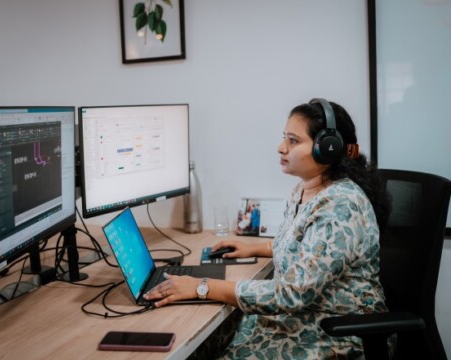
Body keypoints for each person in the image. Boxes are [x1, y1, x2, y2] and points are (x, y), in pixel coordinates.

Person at [144, 98, 390, 359]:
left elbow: (292, 293)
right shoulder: (306, 189)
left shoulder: (340, 206)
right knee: (199, 345)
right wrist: (256, 247)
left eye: (293, 141)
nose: (281, 147)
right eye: (284, 138)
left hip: (334, 334)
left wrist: (201, 287)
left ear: (327, 149)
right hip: (300, 320)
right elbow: (306, 246)